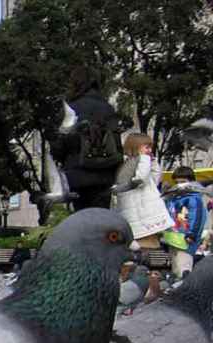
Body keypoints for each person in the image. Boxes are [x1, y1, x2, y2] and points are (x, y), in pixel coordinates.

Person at [51, 67, 123, 211]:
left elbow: (60, 145)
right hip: (104, 173)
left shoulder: (71, 109)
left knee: (82, 220)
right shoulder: (107, 108)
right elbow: (116, 143)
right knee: (101, 220)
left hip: (77, 174)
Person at [115, 133, 173, 246]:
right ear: (136, 147)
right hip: (141, 217)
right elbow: (141, 178)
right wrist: (145, 158)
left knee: (151, 247)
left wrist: (153, 162)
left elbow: (153, 181)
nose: (150, 150)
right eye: (147, 147)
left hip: (145, 215)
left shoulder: (138, 163)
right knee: (146, 248)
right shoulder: (132, 164)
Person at [164, 166, 208, 279]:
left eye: (183, 182)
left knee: (183, 270)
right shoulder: (173, 198)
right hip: (173, 239)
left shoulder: (194, 199)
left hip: (186, 241)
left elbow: (197, 217)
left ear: (191, 182)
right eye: (177, 182)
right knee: (175, 270)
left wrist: (192, 234)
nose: (180, 185)